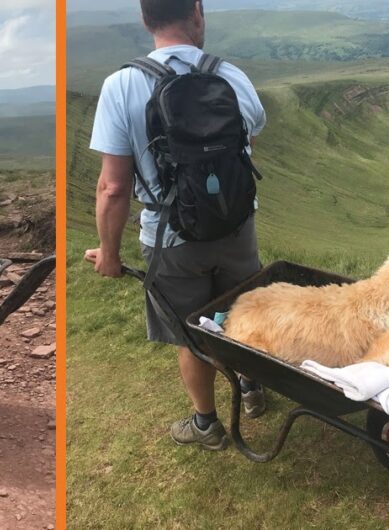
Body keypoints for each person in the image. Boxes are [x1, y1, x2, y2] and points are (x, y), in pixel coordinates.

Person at [84, 0, 268, 450]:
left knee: (192, 330)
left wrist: (109, 253)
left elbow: (113, 187)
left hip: (171, 240)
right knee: (245, 312)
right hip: (237, 227)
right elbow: (248, 146)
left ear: (146, 20)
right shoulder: (231, 76)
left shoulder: (121, 85)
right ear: (197, 13)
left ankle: (206, 425)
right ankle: (251, 387)